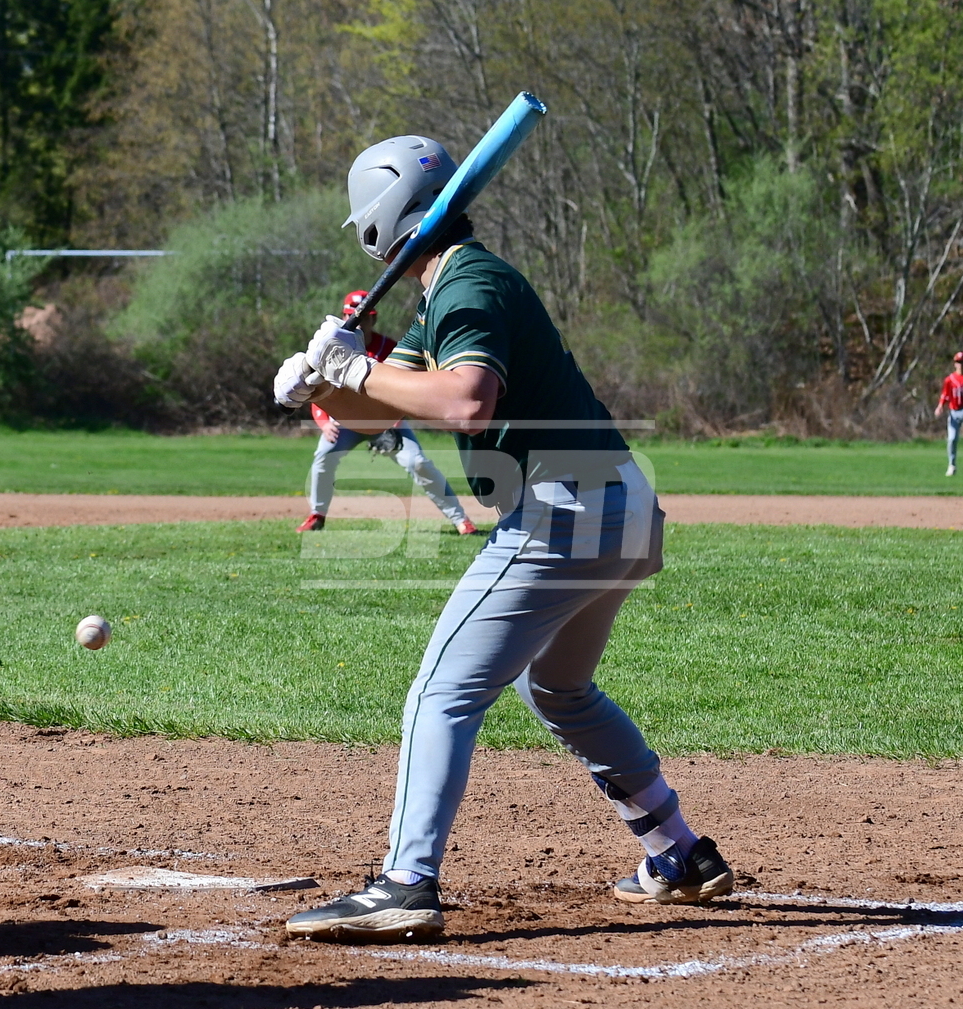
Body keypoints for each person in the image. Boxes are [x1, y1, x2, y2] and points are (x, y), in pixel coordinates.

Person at [272, 134, 734, 941]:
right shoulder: (451, 291)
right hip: (618, 508)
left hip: (563, 510)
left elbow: (465, 403)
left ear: (378, 224)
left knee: (440, 692)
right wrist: (323, 385)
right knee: (556, 688)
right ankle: (678, 851)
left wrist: (354, 370)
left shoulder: (469, 285)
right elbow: (388, 407)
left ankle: (405, 882)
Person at [295, 289, 479, 536]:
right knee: (323, 457)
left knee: (418, 463)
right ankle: (317, 515)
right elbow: (319, 388)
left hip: (387, 421)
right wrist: (324, 423)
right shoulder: (333, 346)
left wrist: (393, 420)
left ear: (373, 319)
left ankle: (461, 520)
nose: (357, 321)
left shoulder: (390, 349)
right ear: (344, 315)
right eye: (351, 316)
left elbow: (405, 389)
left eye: (363, 317)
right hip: (344, 422)